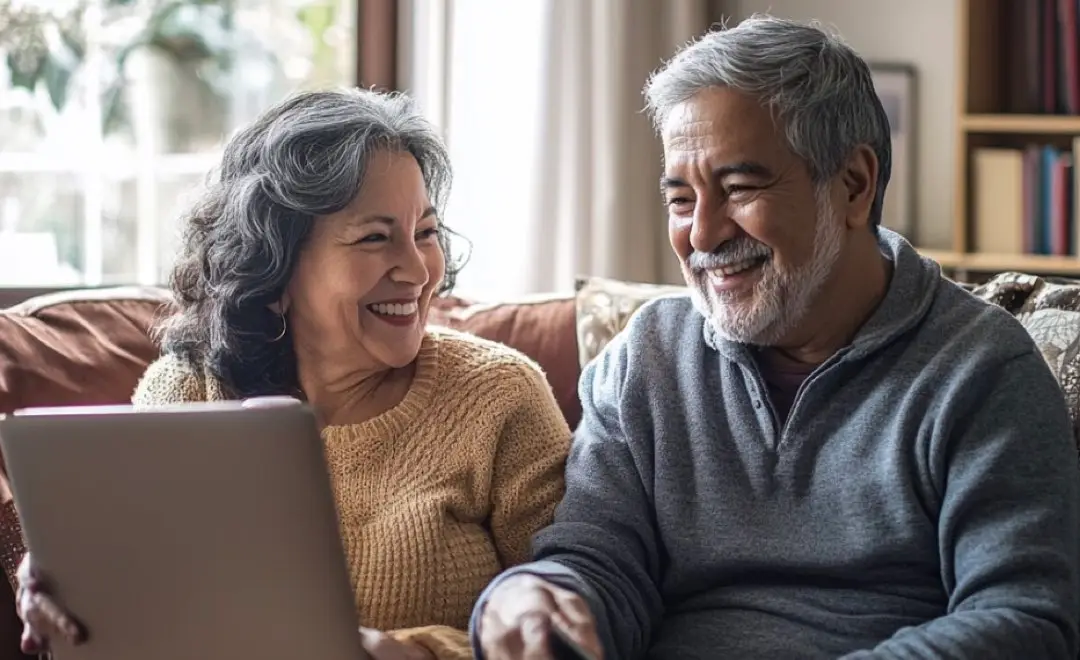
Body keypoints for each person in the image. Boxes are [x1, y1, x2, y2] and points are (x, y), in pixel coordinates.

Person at [474, 15, 1080, 660]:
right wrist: (536, 594)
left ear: (853, 185)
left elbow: (1025, 621)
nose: (702, 235)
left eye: (738, 188)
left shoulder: (982, 369)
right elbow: (599, 565)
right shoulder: (645, 358)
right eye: (682, 200)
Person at [14, 88, 571, 660]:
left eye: (425, 233)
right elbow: (123, 572)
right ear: (274, 272)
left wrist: (413, 654)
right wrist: (64, 578)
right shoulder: (187, 392)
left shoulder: (500, 397)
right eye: (375, 238)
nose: (417, 269)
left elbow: (569, 618)